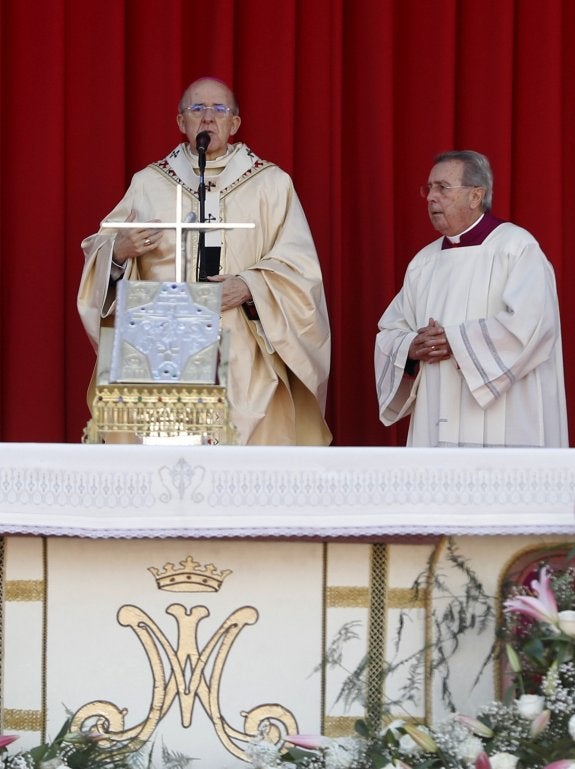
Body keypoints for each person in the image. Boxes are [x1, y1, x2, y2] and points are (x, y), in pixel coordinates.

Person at [78, 77, 332, 445]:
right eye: (197, 109)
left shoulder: (271, 185)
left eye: (219, 110)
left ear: (235, 123)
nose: (208, 118)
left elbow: (300, 267)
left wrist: (250, 286)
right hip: (161, 347)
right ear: (182, 123)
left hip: (244, 354)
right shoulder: (148, 184)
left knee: (241, 485)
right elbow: (100, 255)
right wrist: (118, 251)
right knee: (167, 480)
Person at [374, 149, 568, 448]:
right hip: (438, 415)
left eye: (442, 188)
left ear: (476, 196)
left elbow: (531, 326)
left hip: (508, 418)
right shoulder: (424, 263)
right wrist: (411, 347)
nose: (430, 197)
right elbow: (390, 332)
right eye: (429, 188)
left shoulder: (516, 248)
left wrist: (454, 341)